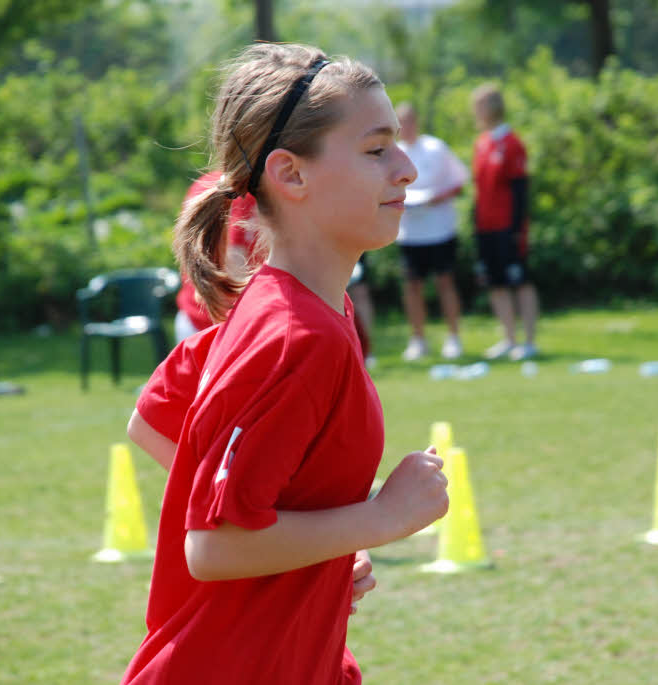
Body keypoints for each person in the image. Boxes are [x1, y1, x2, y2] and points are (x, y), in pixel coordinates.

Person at [120, 43, 448, 685]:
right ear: (290, 175)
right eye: (377, 148)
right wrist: (380, 518)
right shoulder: (295, 335)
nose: (406, 169)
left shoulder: (299, 310)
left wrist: (312, 549)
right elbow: (216, 546)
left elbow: (156, 420)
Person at [394, 103, 468, 361]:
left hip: (439, 229)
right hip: (410, 232)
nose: (406, 128)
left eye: (409, 121)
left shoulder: (435, 148)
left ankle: (454, 336)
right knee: (412, 285)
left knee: (444, 282)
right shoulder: (395, 153)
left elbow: (460, 181)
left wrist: (436, 198)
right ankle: (418, 339)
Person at [471, 83, 540, 361]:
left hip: (508, 227)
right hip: (486, 227)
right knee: (496, 283)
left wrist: (515, 230)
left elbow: (520, 190)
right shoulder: (482, 144)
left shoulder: (512, 144)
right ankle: (509, 339)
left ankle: (530, 341)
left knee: (520, 281)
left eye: (479, 105)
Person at [173, 172, 258, 343]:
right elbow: (235, 268)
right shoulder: (251, 192)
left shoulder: (205, 183)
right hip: (221, 327)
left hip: (193, 320)